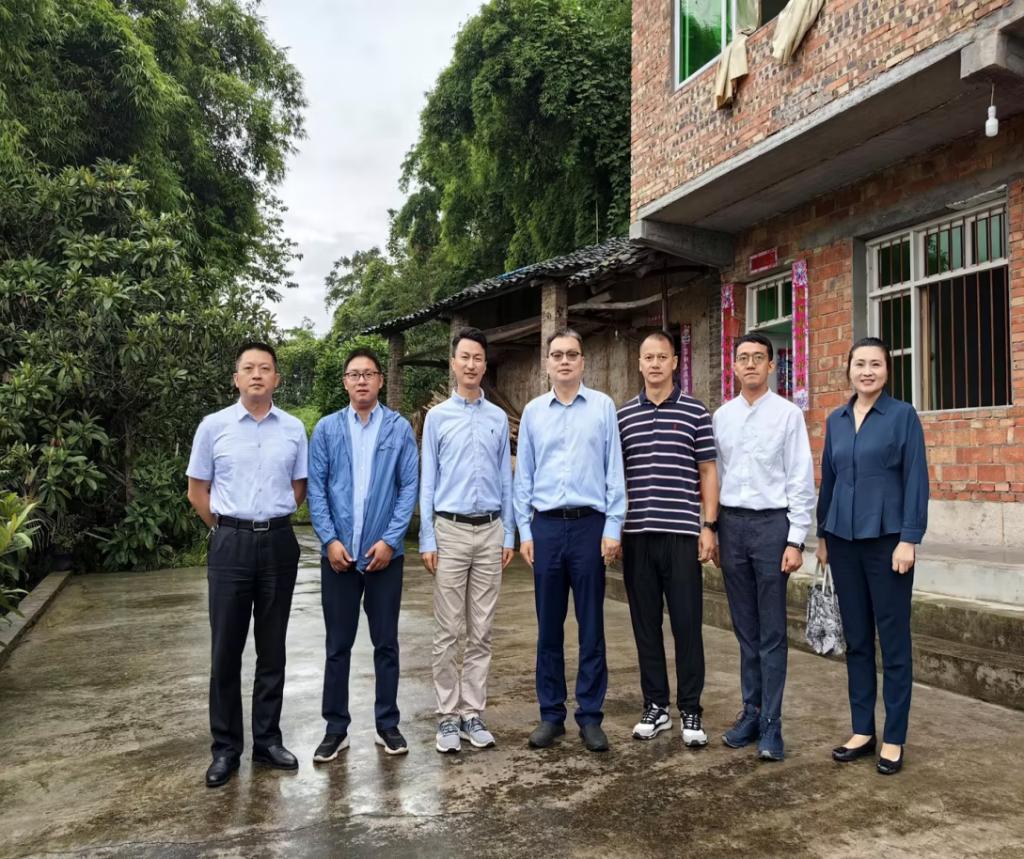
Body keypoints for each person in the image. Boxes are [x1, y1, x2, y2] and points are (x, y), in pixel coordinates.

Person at [186, 342, 308, 789]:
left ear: (277, 379)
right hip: (230, 545)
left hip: (278, 543)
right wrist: (228, 529)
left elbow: (298, 488)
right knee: (226, 651)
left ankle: (268, 741)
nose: (257, 374)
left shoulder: (293, 429)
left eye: (265, 368)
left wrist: (267, 521)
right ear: (236, 378)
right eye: (249, 368)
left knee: (272, 648)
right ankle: (225, 749)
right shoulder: (213, 427)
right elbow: (197, 491)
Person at [816, 337, 928, 776]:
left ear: (887, 370)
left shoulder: (902, 416)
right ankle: (862, 730)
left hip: (888, 542)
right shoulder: (837, 420)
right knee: (858, 640)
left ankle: (894, 737)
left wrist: (909, 538)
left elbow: (916, 478)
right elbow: (829, 479)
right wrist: (822, 535)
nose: (867, 371)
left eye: (875, 364)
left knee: (894, 642)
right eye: (859, 364)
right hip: (842, 541)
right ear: (848, 369)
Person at [514, 329, 626, 753]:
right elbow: (523, 477)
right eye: (557, 354)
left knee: (591, 625)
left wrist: (612, 527)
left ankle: (590, 716)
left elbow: (613, 470)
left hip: (588, 527)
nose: (564, 361)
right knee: (549, 626)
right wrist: (525, 531)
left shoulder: (602, 407)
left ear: (583, 362)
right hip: (545, 527)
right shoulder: (533, 413)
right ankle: (551, 715)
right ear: (547, 363)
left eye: (572, 354)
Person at [307, 347, 419, 760]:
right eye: (354, 374)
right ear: (345, 382)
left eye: (368, 374)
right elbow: (316, 489)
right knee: (337, 645)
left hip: (384, 557)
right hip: (339, 557)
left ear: (380, 381)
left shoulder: (398, 429)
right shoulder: (327, 429)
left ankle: (387, 724)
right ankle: (335, 728)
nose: (361, 381)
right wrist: (329, 540)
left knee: (385, 643)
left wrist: (390, 540)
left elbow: (408, 486)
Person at [712, 331, 815, 762]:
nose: (751, 364)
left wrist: (796, 539)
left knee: (772, 632)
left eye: (759, 357)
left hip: (772, 527)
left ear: (772, 366)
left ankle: (772, 723)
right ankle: (750, 712)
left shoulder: (788, 415)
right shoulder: (722, 417)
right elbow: (715, 475)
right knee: (745, 629)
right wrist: (713, 529)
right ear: (734, 366)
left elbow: (800, 478)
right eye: (743, 357)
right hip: (732, 526)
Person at [617, 331, 718, 746]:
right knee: (645, 625)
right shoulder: (623, 416)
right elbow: (617, 477)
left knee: (687, 624)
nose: (655, 364)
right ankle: (656, 706)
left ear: (675, 361)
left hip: (681, 536)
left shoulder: (696, 412)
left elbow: (708, 471)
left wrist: (708, 526)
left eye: (663, 357)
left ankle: (690, 709)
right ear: (639, 363)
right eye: (648, 357)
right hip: (637, 535)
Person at [419, 328, 515, 754]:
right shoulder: (437, 418)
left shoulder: (497, 418)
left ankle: (472, 712)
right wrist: (427, 537)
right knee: (448, 630)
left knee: (482, 630)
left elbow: (506, 480)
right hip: (451, 531)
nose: (471, 364)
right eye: (465, 357)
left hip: (491, 530)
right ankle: (446, 715)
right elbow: (428, 481)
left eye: (478, 358)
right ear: (453, 364)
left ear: (484, 364)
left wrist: (509, 532)